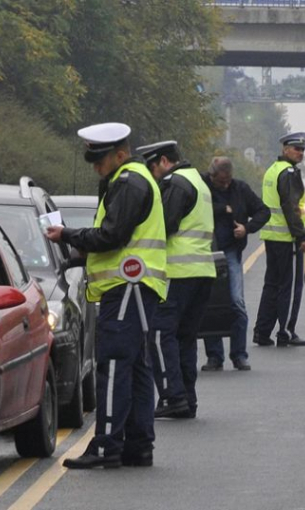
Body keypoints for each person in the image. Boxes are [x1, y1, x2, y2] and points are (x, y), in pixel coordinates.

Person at [46, 122, 167, 469]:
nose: (96, 167)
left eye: (99, 160)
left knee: (113, 365)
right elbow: (116, 239)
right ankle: (138, 445)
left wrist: (67, 234)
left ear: (120, 153)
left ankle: (106, 446)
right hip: (135, 286)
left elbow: (112, 235)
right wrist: (77, 256)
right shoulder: (125, 180)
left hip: (126, 287)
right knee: (137, 367)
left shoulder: (128, 182)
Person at [137, 140, 216, 419]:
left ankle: (172, 396)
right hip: (202, 272)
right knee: (185, 337)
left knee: (159, 333)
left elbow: (164, 226)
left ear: (162, 161)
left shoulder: (175, 183)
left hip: (177, 271)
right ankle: (186, 398)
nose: (152, 173)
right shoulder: (198, 181)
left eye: (151, 166)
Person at [200, 156, 270, 372]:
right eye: (221, 181)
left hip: (230, 252)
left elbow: (263, 211)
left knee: (236, 302)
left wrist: (246, 228)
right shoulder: (201, 187)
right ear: (212, 176)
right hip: (205, 253)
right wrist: (223, 209)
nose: (225, 184)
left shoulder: (240, 189)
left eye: (228, 180)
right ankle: (214, 356)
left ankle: (239, 355)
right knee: (208, 303)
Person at [253, 132, 305, 347]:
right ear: (285, 149)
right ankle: (286, 331)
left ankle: (262, 332)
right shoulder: (288, 173)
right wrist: (301, 236)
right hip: (287, 238)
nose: (301, 153)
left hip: (272, 236)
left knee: (271, 285)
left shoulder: (272, 170)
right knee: (290, 286)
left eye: (303, 150)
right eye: (297, 149)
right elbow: (291, 207)